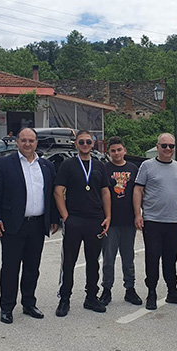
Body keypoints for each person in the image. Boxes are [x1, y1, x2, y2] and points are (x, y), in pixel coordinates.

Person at [0, 128, 60, 324]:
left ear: (36, 142)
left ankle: (29, 303)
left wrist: (53, 218)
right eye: (23, 140)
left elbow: (51, 195)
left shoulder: (46, 165)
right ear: (17, 142)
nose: (27, 144)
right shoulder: (5, 163)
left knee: (32, 268)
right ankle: (7, 307)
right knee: (10, 268)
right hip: (13, 225)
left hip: (37, 225)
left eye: (31, 140)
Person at [54, 130, 111, 317]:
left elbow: (105, 192)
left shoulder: (99, 165)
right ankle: (64, 298)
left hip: (95, 219)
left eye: (88, 141)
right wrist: (66, 217)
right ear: (76, 144)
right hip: (74, 219)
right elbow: (58, 191)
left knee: (93, 261)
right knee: (69, 261)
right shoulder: (68, 165)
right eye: (81, 142)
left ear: (93, 144)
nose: (85, 145)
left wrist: (108, 216)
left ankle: (91, 297)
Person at [134, 133, 177, 310]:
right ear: (157, 146)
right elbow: (138, 190)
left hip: (173, 221)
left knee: (170, 259)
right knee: (152, 258)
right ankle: (151, 292)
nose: (168, 149)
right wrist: (138, 214)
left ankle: (172, 291)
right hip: (152, 221)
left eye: (171, 146)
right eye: (164, 145)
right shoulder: (147, 166)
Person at [98, 136, 143, 306]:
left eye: (119, 150)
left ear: (124, 150)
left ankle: (130, 289)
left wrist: (138, 214)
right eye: (113, 151)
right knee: (108, 258)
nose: (116, 153)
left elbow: (139, 193)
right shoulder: (104, 168)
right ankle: (106, 289)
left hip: (128, 221)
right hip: (110, 222)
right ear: (108, 152)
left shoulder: (133, 169)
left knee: (128, 257)